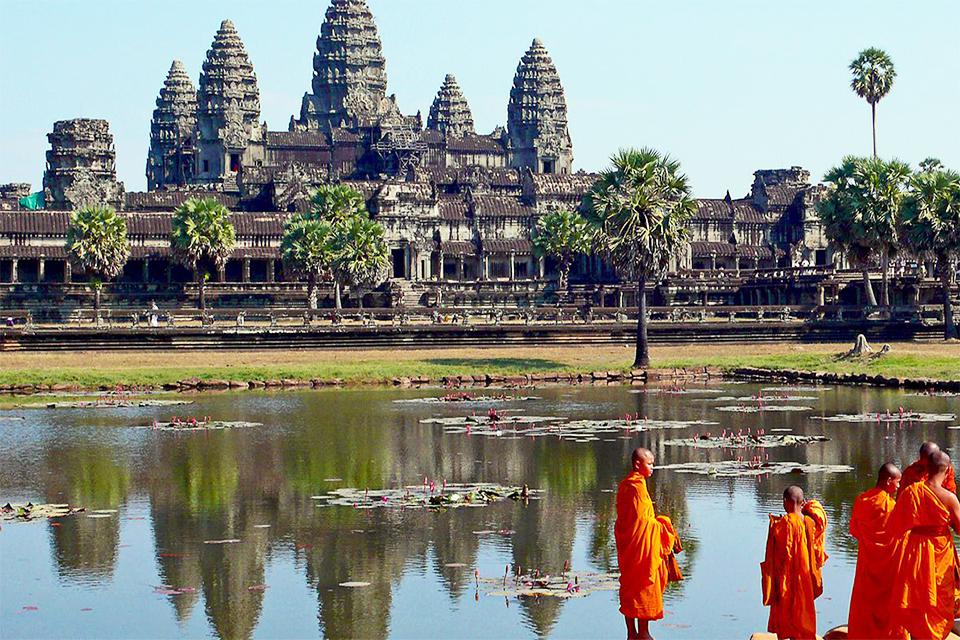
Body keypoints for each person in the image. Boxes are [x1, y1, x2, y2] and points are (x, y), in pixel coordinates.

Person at [887, 451, 960, 639]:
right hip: (940, 552)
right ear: (948, 469)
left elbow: (895, 527)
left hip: (915, 552)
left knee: (917, 602)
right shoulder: (950, 498)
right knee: (939, 602)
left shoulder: (912, 492)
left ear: (927, 468)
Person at [615, 448, 683, 640]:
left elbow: (626, 520)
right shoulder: (635, 487)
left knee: (631, 586)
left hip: (630, 546)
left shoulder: (627, 485)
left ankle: (632, 633)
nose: (653, 467)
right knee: (644, 583)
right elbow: (642, 522)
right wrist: (664, 525)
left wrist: (656, 523)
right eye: (650, 463)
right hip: (639, 548)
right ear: (638, 464)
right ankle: (643, 633)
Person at [760, 486, 827, 640]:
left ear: (785, 502)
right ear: (802, 502)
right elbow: (820, 519)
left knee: (786, 617)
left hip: (786, 582)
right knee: (803, 614)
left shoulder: (781, 525)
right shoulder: (810, 523)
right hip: (805, 580)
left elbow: (774, 557)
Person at [847, 463, 901, 639]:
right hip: (889, 569)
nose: (899, 486)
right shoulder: (894, 508)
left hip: (867, 567)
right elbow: (902, 537)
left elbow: (854, 531)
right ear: (888, 481)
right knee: (889, 606)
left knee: (865, 604)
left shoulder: (862, 501)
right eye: (897, 482)